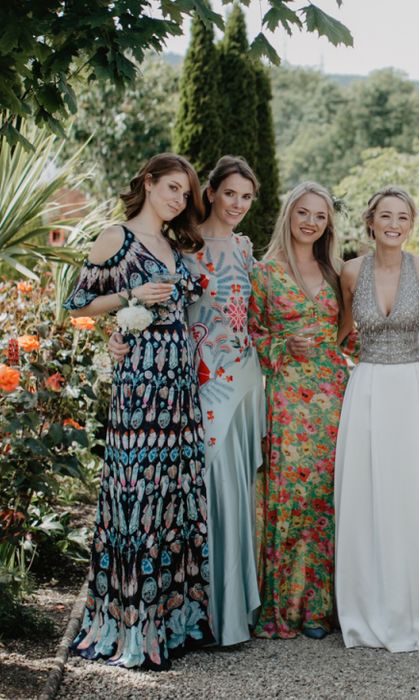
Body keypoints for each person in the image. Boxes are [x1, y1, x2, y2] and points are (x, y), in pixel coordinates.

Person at [109, 156, 266, 647]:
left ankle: (233, 613)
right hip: (193, 387)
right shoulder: (182, 245)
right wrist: (117, 335)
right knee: (201, 495)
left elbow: (258, 313)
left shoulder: (244, 248)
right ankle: (202, 616)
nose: (238, 204)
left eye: (247, 197)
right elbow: (140, 303)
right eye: (230, 194)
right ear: (212, 193)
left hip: (243, 381)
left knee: (235, 492)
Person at [64, 153, 213, 670]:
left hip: (179, 386)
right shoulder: (116, 238)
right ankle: (133, 627)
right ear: (148, 184)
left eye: (184, 194)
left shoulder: (174, 244)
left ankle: (174, 623)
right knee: (137, 502)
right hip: (141, 388)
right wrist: (129, 295)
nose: (177, 200)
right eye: (171, 188)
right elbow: (76, 303)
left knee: (174, 500)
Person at [334, 187, 419, 652]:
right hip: (367, 388)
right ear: (370, 221)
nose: (394, 224)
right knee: (368, 498)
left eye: (403, 217)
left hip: (413, 388)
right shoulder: (350, 272)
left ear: (412, 224)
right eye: (386, 216)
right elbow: (341, 333)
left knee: (416, 497)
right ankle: (368, 609)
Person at [250, 182, 349, 640]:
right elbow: (248, 338)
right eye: (303, 213)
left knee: (326, 499)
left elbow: (352, 334)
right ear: (288, 215)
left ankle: (320, 607)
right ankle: (284, 607)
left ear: (328, 224)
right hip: (288, 396)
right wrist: (283, 344)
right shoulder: (264, 273)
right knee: (288, 496)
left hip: (333, 394)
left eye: (320, 216)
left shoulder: (337, 271)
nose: (311, 222)